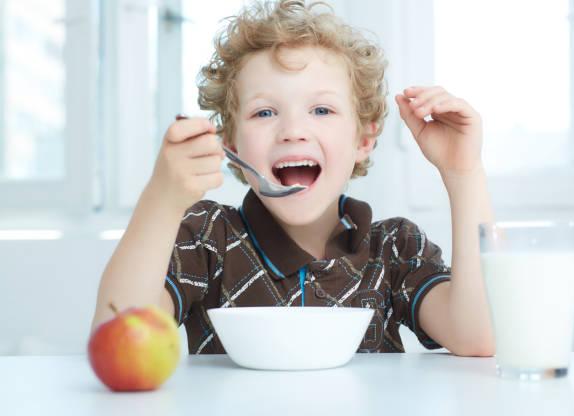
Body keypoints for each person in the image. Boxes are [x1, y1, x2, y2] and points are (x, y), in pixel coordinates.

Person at [91, 0, 494, 356]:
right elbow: (118, 333)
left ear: (364, 139)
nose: (292, 130)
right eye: (264, 113)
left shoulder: (393, 250)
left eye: (321, 110)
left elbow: (479, 336)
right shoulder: (207, 238)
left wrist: (464, 174)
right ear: (231, 142)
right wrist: (162, 198)